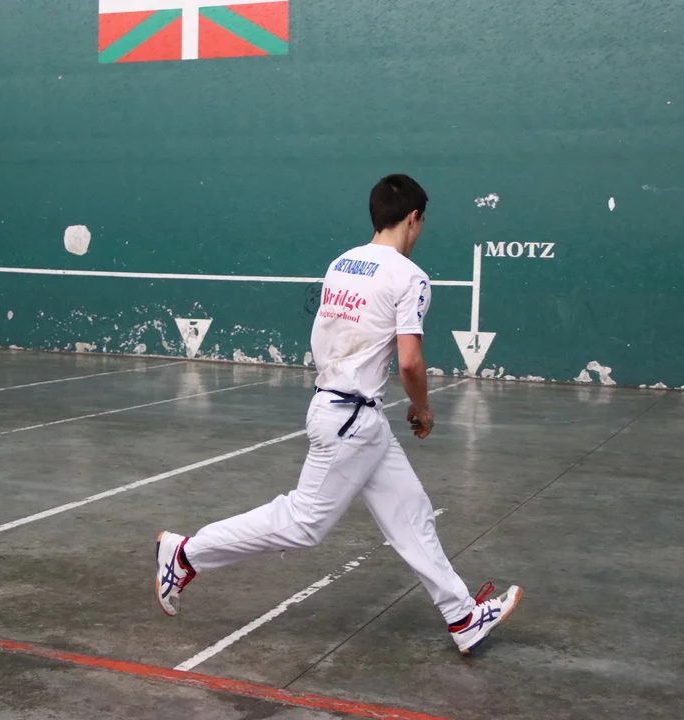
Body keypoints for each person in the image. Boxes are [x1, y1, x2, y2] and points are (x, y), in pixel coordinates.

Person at [154, 174, 523, 655]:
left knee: (411, 513)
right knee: (304, 523)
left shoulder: (342, 263)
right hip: (350, 419)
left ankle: (462, 617)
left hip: (349, 412)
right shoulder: (410, 277)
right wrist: (424, 409)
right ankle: (186, 553)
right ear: (414, 218)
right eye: (422, 223)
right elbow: (410, 362)